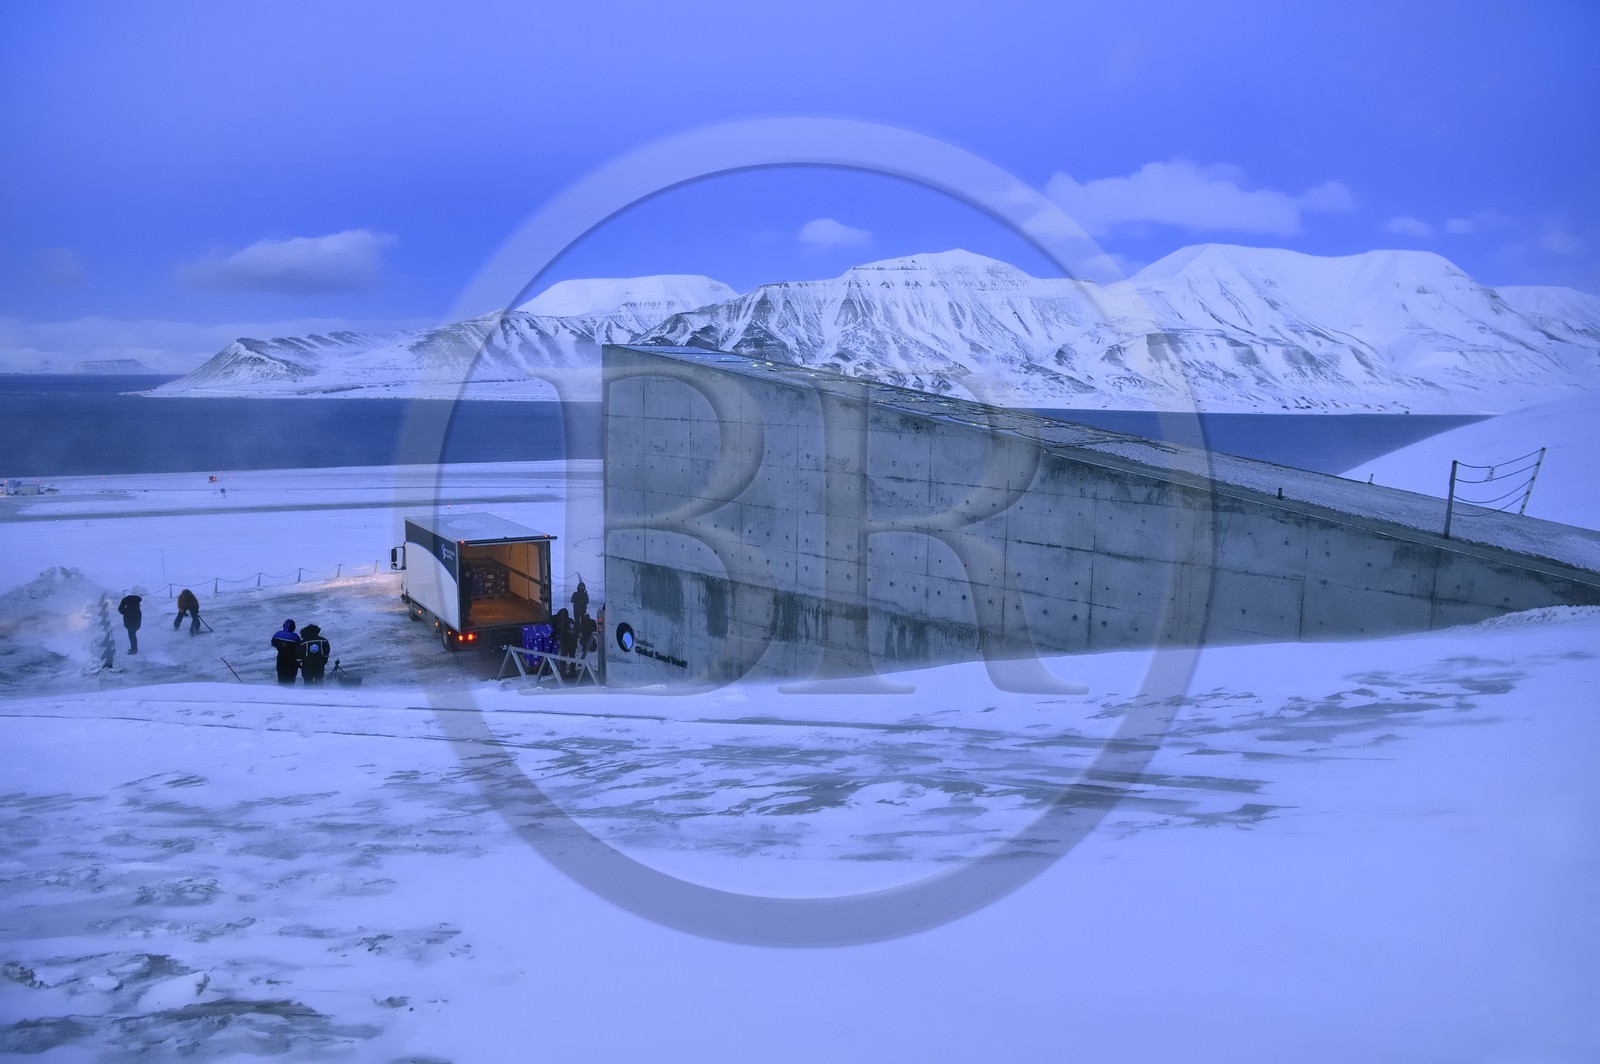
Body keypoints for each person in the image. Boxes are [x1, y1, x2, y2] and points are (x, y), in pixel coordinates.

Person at [271, 619, 301, 686]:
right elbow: (299, 647)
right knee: (291, 676)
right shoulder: (295, 637)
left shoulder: (277, 634)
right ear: (293, 627)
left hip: (281, 657)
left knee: (281, 675)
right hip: (292, 659)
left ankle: (282, 691)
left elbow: (273, 643)